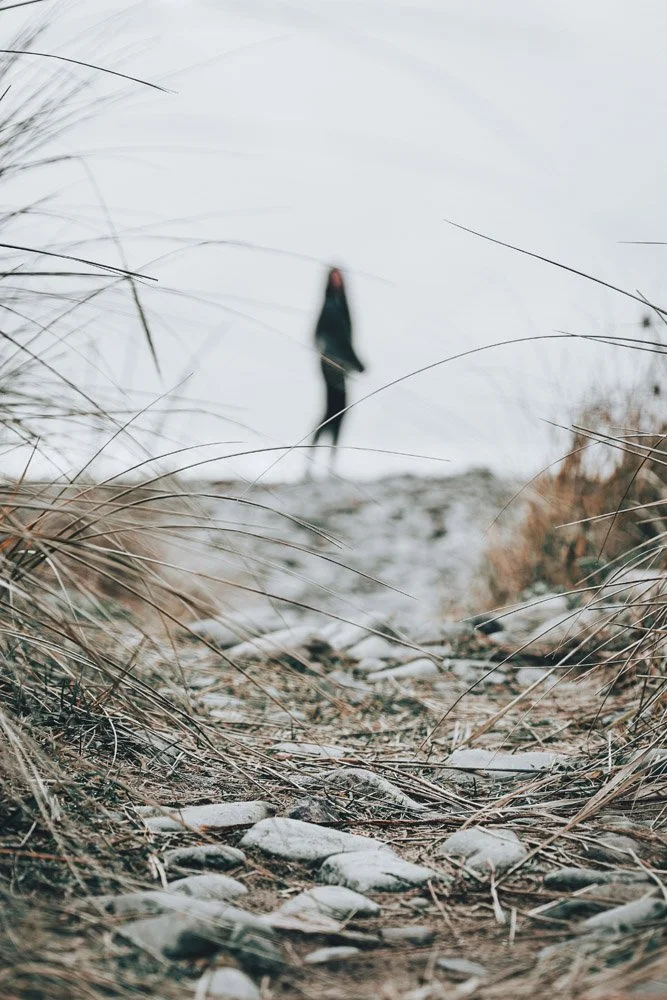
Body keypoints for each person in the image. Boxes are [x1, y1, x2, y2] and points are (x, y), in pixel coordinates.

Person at [309, 266, 365, 473]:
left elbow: (338, 340)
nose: (337, 282)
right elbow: (331, 339)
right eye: (334, 278)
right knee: (334, 411)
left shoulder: (340, 305)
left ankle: (324, 457)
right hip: (333, 366)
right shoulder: (331, 306)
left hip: (339, 365)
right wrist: (355, 362)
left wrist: (353, 362)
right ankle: (320, 456)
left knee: (335, 411)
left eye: (339, 278)